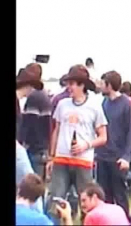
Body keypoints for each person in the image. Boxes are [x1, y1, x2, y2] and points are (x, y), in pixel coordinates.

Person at [47, 65, 108, 213]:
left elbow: (103, 137)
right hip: (62, 160)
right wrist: (51, 157)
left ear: (82, 85)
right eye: (68, 83)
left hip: (83, 161)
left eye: (72, 84)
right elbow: (56, 130)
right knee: (55, 199)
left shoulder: (94, 107)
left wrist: (86, 145)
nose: (69, 87)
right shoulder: (62, 105)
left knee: (87, 202)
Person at [95, 71, 131, 219]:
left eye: (102, 83)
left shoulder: (126, 104)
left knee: (120, 195)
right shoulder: (104, 103)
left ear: (109, 85)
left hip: (118, 158)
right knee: (104, 195)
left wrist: (127, 157)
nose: (100, 86)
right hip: (102, 156)